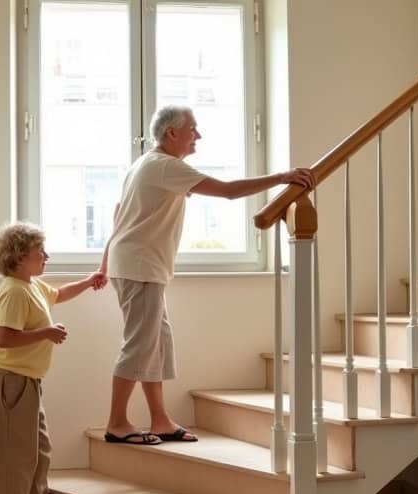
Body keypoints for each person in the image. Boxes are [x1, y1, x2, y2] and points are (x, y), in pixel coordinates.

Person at [98, 105, 316, 445]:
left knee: (155, 345)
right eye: (192, 128)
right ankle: (116, 423)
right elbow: (228, 191)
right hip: (139, 267)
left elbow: (118, 212)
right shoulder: (165, 166)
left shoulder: (148, 164)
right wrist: (282, 177)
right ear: (171, 133)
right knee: (140, 346)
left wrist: (104, 263)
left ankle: (160, 420)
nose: (197, 135)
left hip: (140, 265)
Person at [0, 222, 104, 494]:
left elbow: (59, 294)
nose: (46, 257)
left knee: (37, 450)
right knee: (14, 457)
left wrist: (90, 282)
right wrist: (46, 334)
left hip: (25, 381)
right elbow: (4, 338)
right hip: (10, 381)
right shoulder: (13, 291)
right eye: (41, 252)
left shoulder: (31, 286)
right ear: (21, 257)